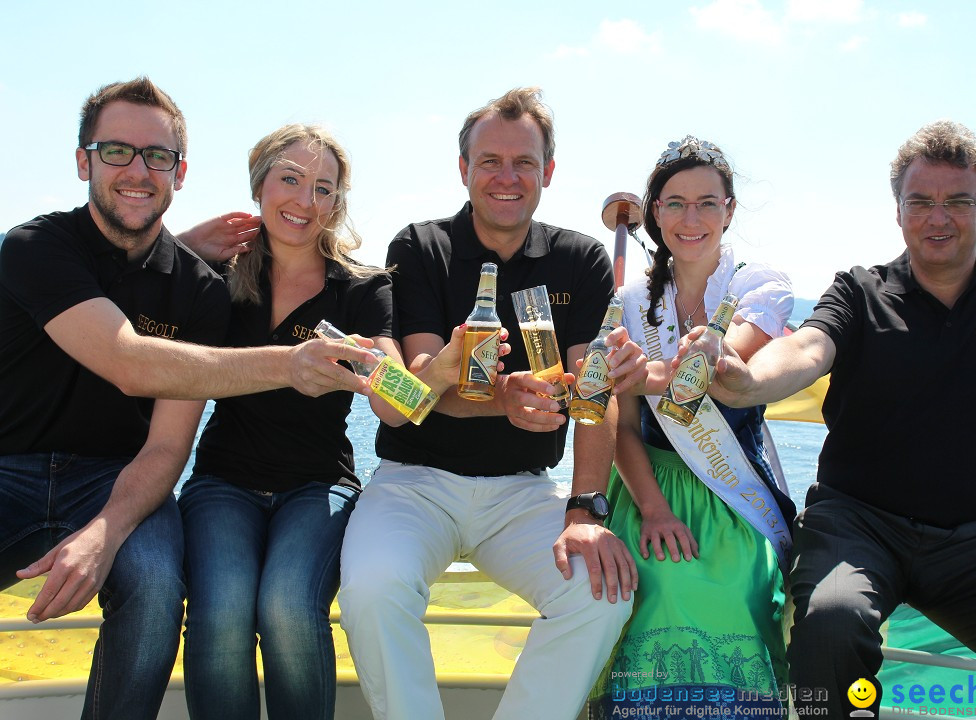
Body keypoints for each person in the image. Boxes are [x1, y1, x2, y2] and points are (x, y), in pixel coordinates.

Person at [0, 78, 370, 720]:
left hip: (117, 479)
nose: (138, 171)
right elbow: (127, 361)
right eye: (116, 151)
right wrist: (292, 362)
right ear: (83, 160)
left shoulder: (200, 289)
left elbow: (170, 445)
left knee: (155, 587)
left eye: (158, 156)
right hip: (7, 471)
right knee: (219, 604)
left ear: (181, 171)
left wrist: (103, 534)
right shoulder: (36, 248)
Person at [709, 120, 976, 716]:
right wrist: (748, 381)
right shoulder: (860, 291)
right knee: (832, 622)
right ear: (898, 209)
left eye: (958, 201)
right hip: (858, 524)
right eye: (921, 202)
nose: (939, 217)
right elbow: (809, 346)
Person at [336, 87, 646, 720]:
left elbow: (594, 395)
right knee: (371, 589)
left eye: (524, 162)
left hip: (523, 489)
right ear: (463, 169)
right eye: (489, 162)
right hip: (412, 482)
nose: (507, 177)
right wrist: (503, 396)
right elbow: (418, 391)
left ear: (548, 172)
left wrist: (586, 507)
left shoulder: (580, 257)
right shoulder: (422, 247)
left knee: (601, 593)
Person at [175, 125, 481, 720]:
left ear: (337, 204)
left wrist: (439, 373)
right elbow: (141, 318)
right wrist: (182, 244)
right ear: (259, 184)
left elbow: (394, 403)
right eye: (290, 179)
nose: (305, 202)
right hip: (222, 484)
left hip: (318, 484)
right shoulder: (215, 280)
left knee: (287, 606)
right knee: (220, 611)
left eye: (323, 189)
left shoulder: (362, 289)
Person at [588, 136, 795, 717]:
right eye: (675, 203)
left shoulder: (761, 285)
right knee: (649, 579)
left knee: (737, 583)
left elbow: (718, 370)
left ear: (730, 211)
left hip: (734, 491)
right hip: (646, 488)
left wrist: (635, 372)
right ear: (655, 212)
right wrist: (652, 510)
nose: (691, 217)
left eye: (708, 202)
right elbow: (622, 429)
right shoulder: (626, 300)